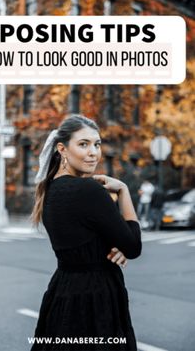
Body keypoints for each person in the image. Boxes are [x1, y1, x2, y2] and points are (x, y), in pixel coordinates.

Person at [30, 114, 142, 351]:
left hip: (62, 292)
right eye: (83, 144)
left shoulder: (49, 190)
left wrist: (113, 246)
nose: (94, 152)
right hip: (95, 298)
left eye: (97, 144)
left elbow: (88, 237)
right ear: (62, 149)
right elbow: (133, 247)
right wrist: (123, 190)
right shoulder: (88, 190)